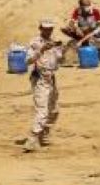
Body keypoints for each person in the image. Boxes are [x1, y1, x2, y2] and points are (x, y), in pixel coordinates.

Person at [24, 19, 68, 149]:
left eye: (50, 28)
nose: (48, 31)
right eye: (46, 28)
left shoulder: (55, 41)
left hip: (51, 77)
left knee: (54, 110)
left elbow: (60, 59)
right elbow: (28, 61)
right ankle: (33, 137)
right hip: (40, 77)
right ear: (40, 28)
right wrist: (41, 50)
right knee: (42, 109)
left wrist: (64, 49)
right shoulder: (34, 42)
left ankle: (44, 132)